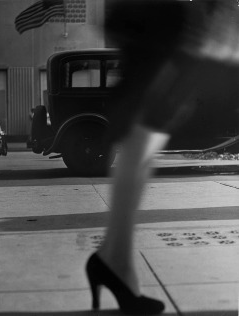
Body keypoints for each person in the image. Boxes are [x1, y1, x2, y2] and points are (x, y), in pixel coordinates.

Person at [85, 1, 239, 314]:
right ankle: (115, 262)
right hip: (165, 17)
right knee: (145, 128)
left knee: (148, 131)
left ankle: (113, 259)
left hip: (170, 18)